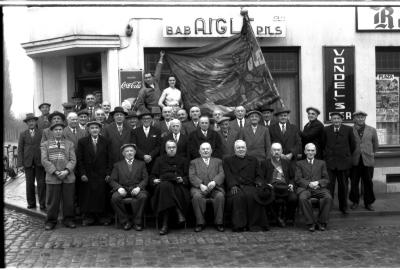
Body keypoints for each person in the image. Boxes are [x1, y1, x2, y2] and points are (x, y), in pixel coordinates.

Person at [223, 140, 272, 232]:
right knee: (238, 197)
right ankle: (240, 225)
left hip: (250, 185)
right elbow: (228, 174)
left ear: (246, 148)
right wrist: (232, 184)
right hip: (236, 187)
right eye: (238, 148)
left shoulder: (253, 160)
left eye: (242, 147)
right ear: (234, 149)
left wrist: (259, 182)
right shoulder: (228, 160)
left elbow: (259, 174)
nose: (240, 149)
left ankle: (255, 224)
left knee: (255, 196)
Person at [41, 122, 76, 230]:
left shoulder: (69, 144)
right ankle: (51, 221)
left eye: (60, 129)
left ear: (63, 131)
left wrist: (66, 171)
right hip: (53, 177)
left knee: (69, 200)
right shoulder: (45, 144)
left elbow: (73, 160)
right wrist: (55, 171)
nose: (58, 131)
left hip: (68, 176)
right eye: (56, 130)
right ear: (52, 132)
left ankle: (68, 220)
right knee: (52, 201)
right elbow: (44, 160)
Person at [77, 121, 113, 226]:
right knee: (88, 196)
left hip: (102, 174)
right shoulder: (82, 142)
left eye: (96, 128)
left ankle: (102, 217)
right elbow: (80, 159)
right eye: (92, 128)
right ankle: (89, 218)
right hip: (88, 174)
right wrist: (82, 173)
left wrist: (108, 173)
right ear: (88, 130)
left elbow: (110, 158)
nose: (94, 130)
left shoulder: (106, 141)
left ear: (100, 129)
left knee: (101, 196)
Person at [150, 140, 190, 235]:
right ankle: (177, 210)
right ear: (165, 149)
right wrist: (154, 180)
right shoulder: (159, 160)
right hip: (162, 187)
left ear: (176, 148)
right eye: (169, 147)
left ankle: (165, 224)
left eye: (173, 147)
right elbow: (152, 176)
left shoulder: (183, 160)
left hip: (178, 187)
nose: (171, 149)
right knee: (165, 186)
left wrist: (183, 179)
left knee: (166, 187)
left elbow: (188, 176)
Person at [108, 143, 148, 231]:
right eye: (127, 151)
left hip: (136, 188)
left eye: (131, 151)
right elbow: (112, 180)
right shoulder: (117, 165)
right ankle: (125, 221)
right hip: (123, 188)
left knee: (143, 197)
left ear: (135, 152)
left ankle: (137, 222)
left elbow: (145, 179)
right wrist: (119, 188)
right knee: (114, 198)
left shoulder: (141, 164)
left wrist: (138, 188)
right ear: (123, 153)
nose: (129, 153)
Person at [322, 112, 356, 215]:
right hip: (330, 163)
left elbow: (352, 145)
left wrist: (346, 155)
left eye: (338, 118)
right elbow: (323, 144)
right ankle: (329, 206)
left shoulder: (348, 129)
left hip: (343, 163)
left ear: (341, 120)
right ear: (331, 120)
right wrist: (327, 155)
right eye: (334, 118)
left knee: (343, 186)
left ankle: (343, 207)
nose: (336, 120)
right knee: (329, 186)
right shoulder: (326, 129)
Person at [295, 143, 333, 232]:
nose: (310, 152)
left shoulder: (321, 163)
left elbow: (326, 179)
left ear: (315, 152)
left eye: (312, 150)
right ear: (305, 152)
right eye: (308, 150)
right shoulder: (299, 163)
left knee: (328, 197)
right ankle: (310, 223)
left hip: (319, 188)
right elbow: (298, 179)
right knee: (302, 198)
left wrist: (318, 182)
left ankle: (321, 222)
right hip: (305, 189)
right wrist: (308, 184)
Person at [189, 143, 225, 232]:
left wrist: (215, 181)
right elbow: (192, 176)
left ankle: (218, 222)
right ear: (199, 151)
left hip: (215, 188)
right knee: (197, 197)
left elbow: (222, 174)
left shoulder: (218, 161)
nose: (205, 151)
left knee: (220, 196)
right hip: (199, 188)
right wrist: (200, 185)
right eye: (203, 149)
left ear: (211, 151)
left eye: (207, 149)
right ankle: (200, 223)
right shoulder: (193, 162)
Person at [262, 143, 297, 227]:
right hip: (272, 187)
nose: (276, 152)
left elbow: (292, 177)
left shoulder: (287, 162)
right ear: (271, 151)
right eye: (274, 150)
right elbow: (261, 178)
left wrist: (291, 184)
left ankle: (286, 218)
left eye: (278, 150)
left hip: (286, 187)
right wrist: (267, 185)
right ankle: (277, 218)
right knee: (268, 197)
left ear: (281, 151)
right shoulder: (265, 163)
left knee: (294, 198)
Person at [350, 111, 379, 211]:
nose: (360, 119)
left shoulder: (372, 130)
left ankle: (368, 203)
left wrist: (370, 153)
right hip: (355, 160)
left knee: (368, 182)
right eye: (358, 117)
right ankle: (355, 201)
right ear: (354, 119)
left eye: (362, 117)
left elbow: (375, 145)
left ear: (365, 118)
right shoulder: (350, 130)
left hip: (368, 160)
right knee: (354, 182)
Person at [17, 113, 46, 210]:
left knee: (41, 183)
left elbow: (46, 147)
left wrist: (45, 160)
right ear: (27, 123)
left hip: (40, 162)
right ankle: (31, 203)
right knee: (29, 183)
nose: (31, 123)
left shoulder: (41, 132)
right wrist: (20, 164)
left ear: (35, 122)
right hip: (28, 162)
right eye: (29, 121)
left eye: (32, 121)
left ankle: (42, 204)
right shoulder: (23, 134)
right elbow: (20, 149)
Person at [131, 109, 161, 173]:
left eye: (148, 118)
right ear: (141, 120)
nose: (146, 120)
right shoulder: (135, 131)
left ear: (151, 120)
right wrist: (143, 156)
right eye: (144, 118)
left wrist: (151, 155)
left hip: (153, 160)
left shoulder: (157, 131)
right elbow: (134, 146)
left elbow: (158, 146)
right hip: (139, 160)